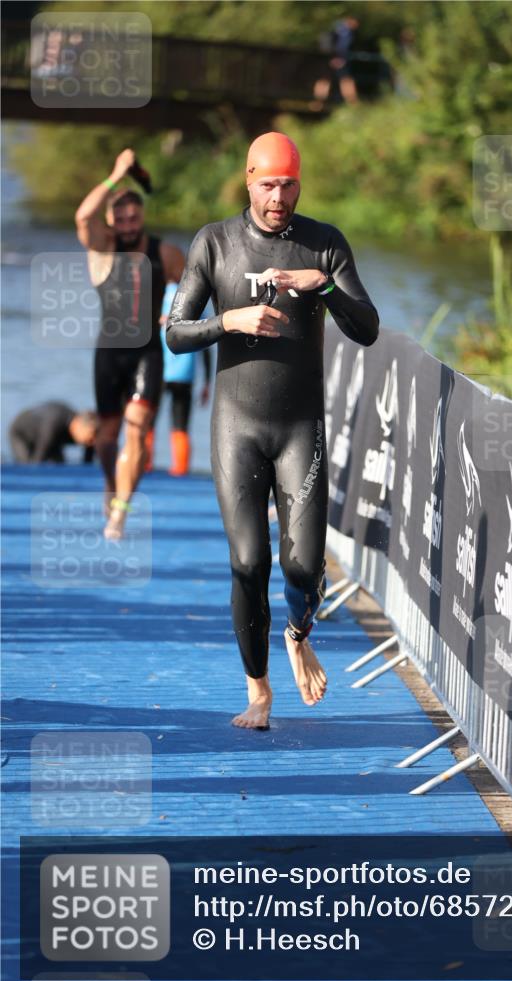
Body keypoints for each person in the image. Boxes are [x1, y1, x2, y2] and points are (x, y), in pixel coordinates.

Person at [166, 131, 378, 730]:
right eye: (268, 185)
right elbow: (175, 333)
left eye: (288, 185)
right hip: (237, 427)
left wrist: (324, 285)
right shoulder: (215, 242)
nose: (278, 197)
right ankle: (258, 691)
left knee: (305, 568)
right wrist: (228, 320)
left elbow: (367, 328)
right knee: (248, 562)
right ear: (249, 180)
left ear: (299, 184)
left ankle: (297, 633)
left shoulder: (324, 245)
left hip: (299, 427)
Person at [74, 148, 185, 539]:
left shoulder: (164, 253)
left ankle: (121, 509)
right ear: (110, 221)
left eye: (133, 218)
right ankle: (111, 483)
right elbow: (82, 217)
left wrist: (177, 315)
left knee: (137, 429)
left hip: (147, 352)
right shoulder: (102, 250)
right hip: (109, 352)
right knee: (107, 435)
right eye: (119, 219)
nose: (127, 225)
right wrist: (115, 175)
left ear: (142, 216)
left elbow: (196, 287)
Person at [158, 281, 212, 476]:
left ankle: (144, 465)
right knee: (180, 423)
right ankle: (181, 469)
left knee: (146, 419)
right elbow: (206, 341)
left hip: (158, 369)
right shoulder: (198, 297)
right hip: (185, 373)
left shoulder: (158, 293)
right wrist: (207, 382)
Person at [9, 402, 97, 464]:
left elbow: (87, 463)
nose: (92, 441)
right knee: (28, 466)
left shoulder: (86, 435)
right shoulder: (54, 424)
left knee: (60, 465)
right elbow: (38, 460)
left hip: (52, 440)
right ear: (78, 425)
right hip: (21, 434)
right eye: (90, 437)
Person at [313, 15, 360, 106]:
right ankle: (352, 103)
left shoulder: (338, 27)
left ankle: (317, 103)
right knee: (342, 80)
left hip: (331, 57)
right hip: (334, 58)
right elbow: (340, 45)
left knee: (328, 79)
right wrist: (335, 57)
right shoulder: (342, 30)